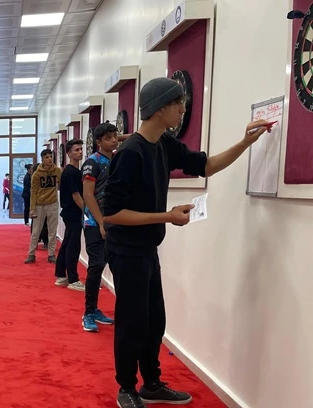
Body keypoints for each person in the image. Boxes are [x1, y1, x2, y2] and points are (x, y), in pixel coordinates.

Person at [103, 77, 270, 408]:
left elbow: (206, 165)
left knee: (154, 321)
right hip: (126, 251)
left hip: (147, 249)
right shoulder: (131, 153)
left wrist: (245, 142)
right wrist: (165, 216)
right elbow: (113, 214)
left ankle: (151, 384)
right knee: (132, 322)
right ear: (160, 109)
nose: (183, 109)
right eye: (178, 103)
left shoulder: (164, 144)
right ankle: (127, 388)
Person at [81, 122, 118, 332]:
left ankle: (96, 309)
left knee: (111, 265)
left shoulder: (116, 159)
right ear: (98, 142)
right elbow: (88, 195)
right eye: (108, 138)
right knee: (96, 266)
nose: (113, 141)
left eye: (115, 137)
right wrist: (101, 222)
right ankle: (89, 312)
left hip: (114, 222)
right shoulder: (92, 162)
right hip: (94, 223)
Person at [55, 139, 86, 291]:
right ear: (68, 153)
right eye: (76, 150)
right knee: (73, 246)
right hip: (73, 212)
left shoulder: (73, 171)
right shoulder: (71, 172)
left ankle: (61, 275)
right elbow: (76, 196)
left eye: (81, 149)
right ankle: (73, 279)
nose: (80, 152)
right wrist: (88, 211)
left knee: (67, 243)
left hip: (71, 212)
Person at [25, 149, 61, 264]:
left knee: (52, 230)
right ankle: (31, 254)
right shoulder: (36, 174)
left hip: (53, 203)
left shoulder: (57, 171)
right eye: (47, 157)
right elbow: (33, 191)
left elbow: (62, 184)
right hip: (39, 204)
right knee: (36, 230)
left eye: (51, 156)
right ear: (42, 159)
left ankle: (51, 254)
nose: (49, 159)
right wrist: (32, 208)